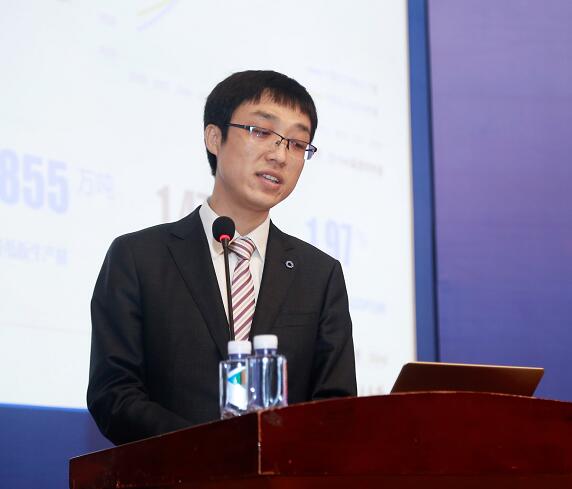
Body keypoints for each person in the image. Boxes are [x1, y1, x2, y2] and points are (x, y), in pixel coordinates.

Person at [87, 70, 357, 445]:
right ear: (215, 137)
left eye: (297, 143)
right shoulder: (138, 258)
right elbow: (114, 395)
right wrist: (211, 449)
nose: (279, 155)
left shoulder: (320, 275)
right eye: (261, 131)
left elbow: (336, 407)